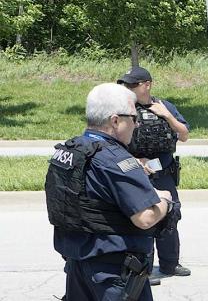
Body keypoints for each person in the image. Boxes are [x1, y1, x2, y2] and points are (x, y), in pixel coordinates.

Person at [45, 83, 176, 301]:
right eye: (134, 118)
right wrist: (165, 200)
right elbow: (144, 217)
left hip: (78, 264)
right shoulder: (117, 160)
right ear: (115, 121)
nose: (137, 124)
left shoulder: (72, 151)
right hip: (114, 273)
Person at [117, 66, 191, 278]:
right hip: (136, 174)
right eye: (126, 85)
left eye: (133, 84)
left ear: (147, 85)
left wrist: (167, 116)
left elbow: (184, 135)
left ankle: (170, 265)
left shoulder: (165, 106)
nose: (128, 88)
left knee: (170, 218)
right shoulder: (124, 109)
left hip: (164, 174)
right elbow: (114, 142)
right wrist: (135, 160)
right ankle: (143, 270)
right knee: (143, 222)